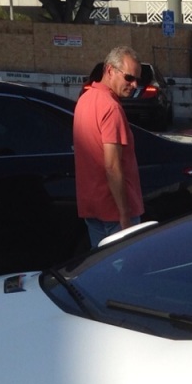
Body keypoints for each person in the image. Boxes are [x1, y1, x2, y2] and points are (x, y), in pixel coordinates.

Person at [74, 45, 144, 247]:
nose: (134, 85)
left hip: (91, 205)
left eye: (136, 80)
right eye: (129, 78)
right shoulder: (111, 108)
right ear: (110, 70)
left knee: (101, 269)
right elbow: (112, 166)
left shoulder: (85, 100)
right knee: (126, 270)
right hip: (113, 211)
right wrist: (124, 214)